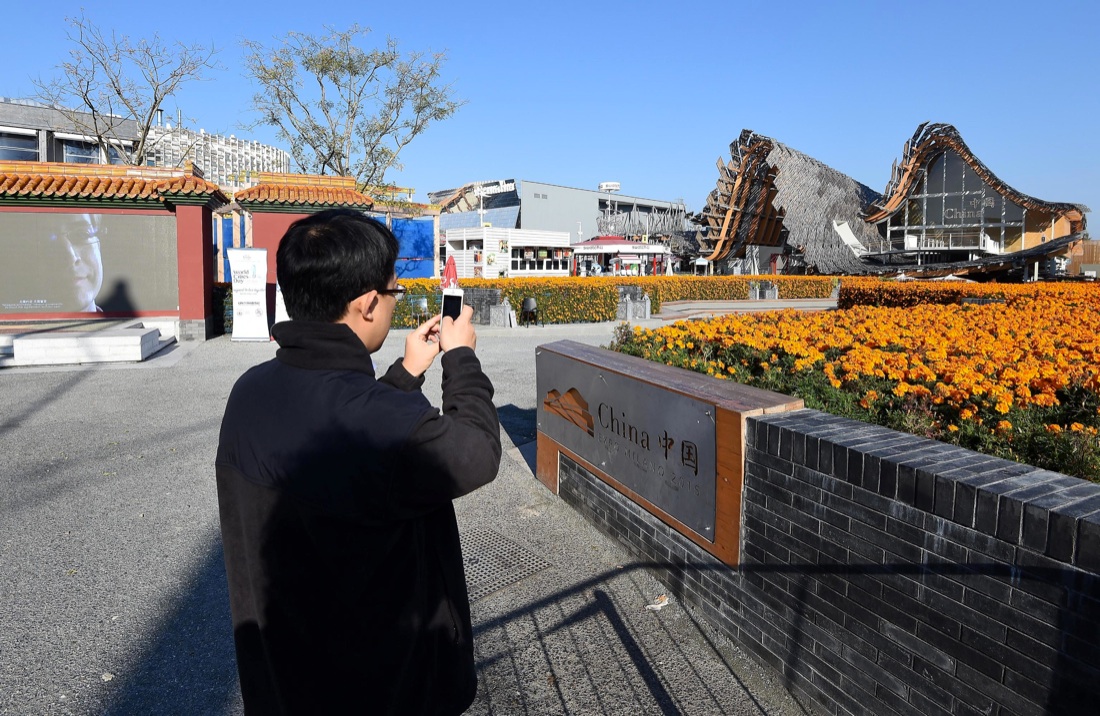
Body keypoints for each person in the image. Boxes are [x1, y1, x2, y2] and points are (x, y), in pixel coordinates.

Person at [215, 209, 502, 715]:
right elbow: (476, 454)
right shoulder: (380, 421)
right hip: (384, 687)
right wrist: (461, 358)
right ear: (368, 303)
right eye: (393, 292)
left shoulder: (250, 392)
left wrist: (407, 372)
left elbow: (352, 442)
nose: (394, 303)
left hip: (289, 677)